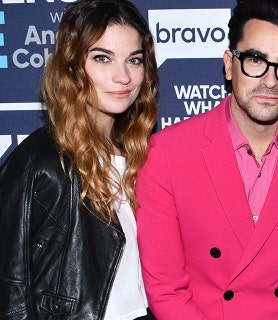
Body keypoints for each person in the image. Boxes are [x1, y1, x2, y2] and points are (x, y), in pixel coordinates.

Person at [134, 0, 278, 319]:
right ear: (229, 64)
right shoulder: (164, 155)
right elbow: (167, 290)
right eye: (255, 60)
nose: (270, 81)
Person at [0, 0, 158, 319]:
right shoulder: (39, 164)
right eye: (103, 58)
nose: (123, 77)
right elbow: (11, 293)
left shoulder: (142, 156)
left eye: (134, 60)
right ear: (71, 65)